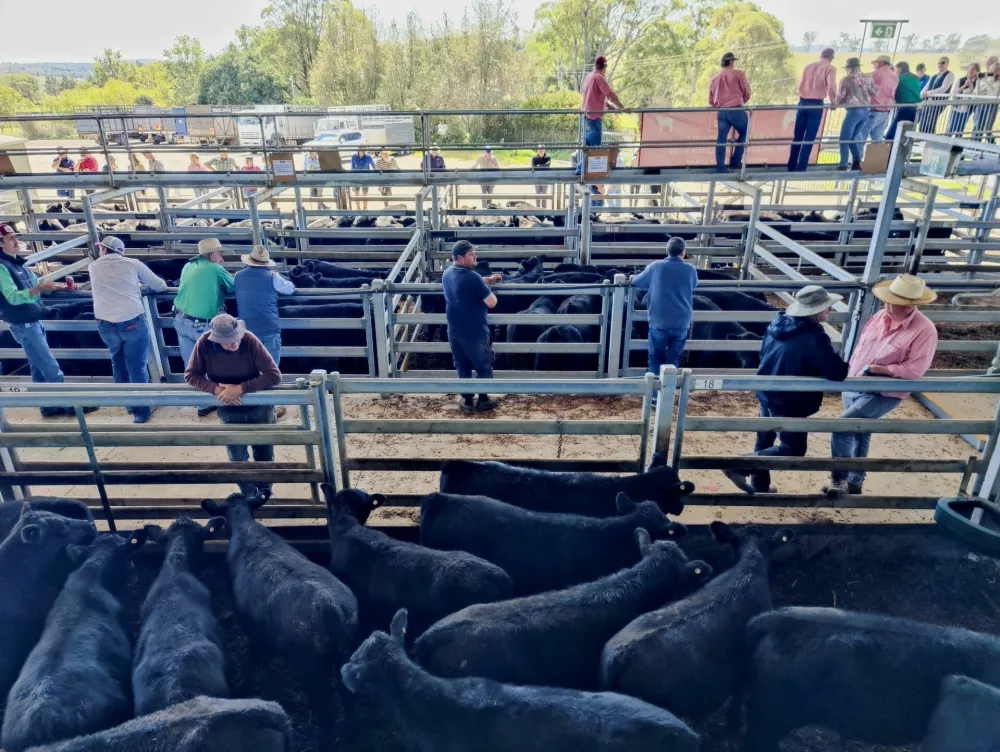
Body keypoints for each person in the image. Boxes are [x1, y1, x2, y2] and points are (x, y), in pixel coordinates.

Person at [724, 286, 848, 495]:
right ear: (816, 311)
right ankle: (738, 465)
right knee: (793, 448)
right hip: (791, 400)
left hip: (766, 389)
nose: (829, 311)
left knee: (765, 439)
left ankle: (760, 487)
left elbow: (763, 353)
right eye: (827, 307)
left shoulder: (777, 322)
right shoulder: (813, 337)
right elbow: (836, 372)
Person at [822, 274, 938, 497]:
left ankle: (839, 479)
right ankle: (856, 482)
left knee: (842, 426)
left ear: (909, 304)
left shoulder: (925, 330)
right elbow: (860, 347)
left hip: (884, 391)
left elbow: (916, 369)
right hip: (855, 382)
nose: (886, 302)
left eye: (892, 299)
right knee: (861, 432)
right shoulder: (878, 316)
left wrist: (881, 370)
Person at [0, 223, 92, 418]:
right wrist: (40, 290)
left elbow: (39, 284)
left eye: (16, 237)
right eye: (11, 239)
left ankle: (47, 407)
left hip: (32, 320)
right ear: (0, 244)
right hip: (24, 324)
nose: (17, 241)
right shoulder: (2, 268)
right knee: (50, 366)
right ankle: (70, 405)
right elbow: (13, 297)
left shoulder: (18, 265)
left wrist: (62, 288)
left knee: (38, 367)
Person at [184, 313, 281, 497]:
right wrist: (216, 390)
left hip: (259, 406)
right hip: (228, 407)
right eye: (226, 342)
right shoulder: (204, 343)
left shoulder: (250, 340)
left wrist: (241, 388)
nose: (233, 344)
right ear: (215, 339)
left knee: (264, 452)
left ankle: (266, 491)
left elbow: (274, 375)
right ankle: (248, 494)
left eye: (235, 339)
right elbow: (191, 375)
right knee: (236, 455)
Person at [88, 236, 167, 424]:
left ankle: (129, 404)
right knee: (137, 366)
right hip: (132, 322)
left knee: (118, 362)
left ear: (104, 250)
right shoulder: (133, 263)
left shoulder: (93, 266)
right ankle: (142, 411)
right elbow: (161, 286)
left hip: (105, 324)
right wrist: (139, 287)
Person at [174, 238, 236, 415]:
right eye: (220, 254)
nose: (222, 258)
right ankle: (223, 401)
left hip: (180, 320)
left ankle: (201, 405)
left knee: (192, 364)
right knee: (216, 363)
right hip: (202, 324)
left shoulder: (188, 266)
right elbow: (233, 287)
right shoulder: (215, 268)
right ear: (210, 255)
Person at [441, 240, 502, 413]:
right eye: (471, 254)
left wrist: (486, 280)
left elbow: (464, 283)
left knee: (462, 364)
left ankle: (467, 401)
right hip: (475, 331)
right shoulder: (472, 277)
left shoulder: (447, 273)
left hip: (454, 330)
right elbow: (492, 302)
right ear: (460, 258)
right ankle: (483, 399)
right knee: (483, 363)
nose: (476, 257)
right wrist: (487, 288)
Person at [629, 237, 698, 388]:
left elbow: (637, 281)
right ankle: (668, 393)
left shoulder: (655, 266)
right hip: (681, 322)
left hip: (659, 322)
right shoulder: (691, 269)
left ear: (667, 251)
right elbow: (694, 284)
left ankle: (654, 395)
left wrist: (631, 277)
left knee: (656, 357)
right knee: (673, 359)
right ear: (683, 252)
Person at [234, 245, 294, 367]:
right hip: (268, 327)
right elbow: (290, 289)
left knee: (251, 367)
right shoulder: (273, 277)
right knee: (271, 368)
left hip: (247, 329)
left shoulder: (237, 276)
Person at [788, 48, 837, 172]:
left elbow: (800, 85)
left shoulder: (808, 66)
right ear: (831, 57)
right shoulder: (830, 68)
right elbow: (831, 87)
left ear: (821, 55)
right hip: (816, 105)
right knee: (809, 138)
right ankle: (801, 167)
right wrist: (833, 102)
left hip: (802, 102)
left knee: (797, 137)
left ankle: (791, 165)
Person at [709, 52, 752, 173]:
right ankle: (735, 161)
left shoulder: (714, 78)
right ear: (732, 61)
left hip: (721, 111)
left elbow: (710, 100)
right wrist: (741, 100)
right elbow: (747, 92)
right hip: (736, 109)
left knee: (721, 138)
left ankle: (720, 167)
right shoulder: (739, 74)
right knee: (746, 131)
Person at [836, 57, 877, 171]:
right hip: (866, 111)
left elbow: (840, 96)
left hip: (853, 111)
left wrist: (835, 105)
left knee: (844, 138)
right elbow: (874, 92)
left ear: (849, 68)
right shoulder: (868, 78)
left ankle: (843, 164)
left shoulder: (846, 80)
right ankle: (856, 161)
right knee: (853, 137)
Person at [581, 55, 628, 149]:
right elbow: (611, 95)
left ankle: (581, 164)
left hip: (585, 116)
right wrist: (622, 108)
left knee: (586, 150)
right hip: (594, 119)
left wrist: (606, 105)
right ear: (605, 67)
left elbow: (591, 96)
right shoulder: (599, 78)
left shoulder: (589, 76)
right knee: (595, 151)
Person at [861, 55, 898, 144]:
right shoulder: (895, 76)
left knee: (860, 136)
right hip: (887, 111)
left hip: (874, 110)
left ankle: (857, 158)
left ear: (881, 63)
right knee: (877, 139)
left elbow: (864, 85)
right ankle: (877, 157)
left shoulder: (877, 73)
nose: (874, 66)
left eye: (876, 63)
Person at [885, 61, 922, 141]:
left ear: (900, 68)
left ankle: (889, 152)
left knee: (890, 135)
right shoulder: (915, 78)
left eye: (895, 68)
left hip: (906, 108)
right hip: (917, 108)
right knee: (905, 136)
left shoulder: (899, 78)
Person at [918, 57, 955, 133]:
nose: (940, 64)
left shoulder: (949, 75)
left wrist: (928, 93)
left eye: (943, 63)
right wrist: (921, 94)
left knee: (930, 122)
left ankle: (929, 140)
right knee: (923, 122)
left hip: (938, 103)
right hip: (928, 102)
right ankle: (922, 139)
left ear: (947, 64)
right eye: (939, 63)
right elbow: (926, 87)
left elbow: (943, 88)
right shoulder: (934, 76)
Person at [947, 63, 981, 134]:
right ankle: (947, 143)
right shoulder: (961, 80)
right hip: (956, 108)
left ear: (977, 71)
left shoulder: (978, 82)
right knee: (951, 127)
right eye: (970, 68)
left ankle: (957, 144)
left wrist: (968, 89)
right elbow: (954, 92)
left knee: (960, 129)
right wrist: (964, 86)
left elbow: (976, 94)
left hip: (967, 110)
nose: (971, 71)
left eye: (973, 69)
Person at [973, 62, 1000, 143]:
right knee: (978, 127)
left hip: (992, 106)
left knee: (987, 129)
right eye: (991, 72)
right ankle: (975, 145)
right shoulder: (988, 80)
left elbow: (993, 91)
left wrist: (985, 79)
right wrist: (978, 81)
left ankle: (993, 146)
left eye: (995, 71)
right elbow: (978, 93)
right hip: (982, 104)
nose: (993, 74)